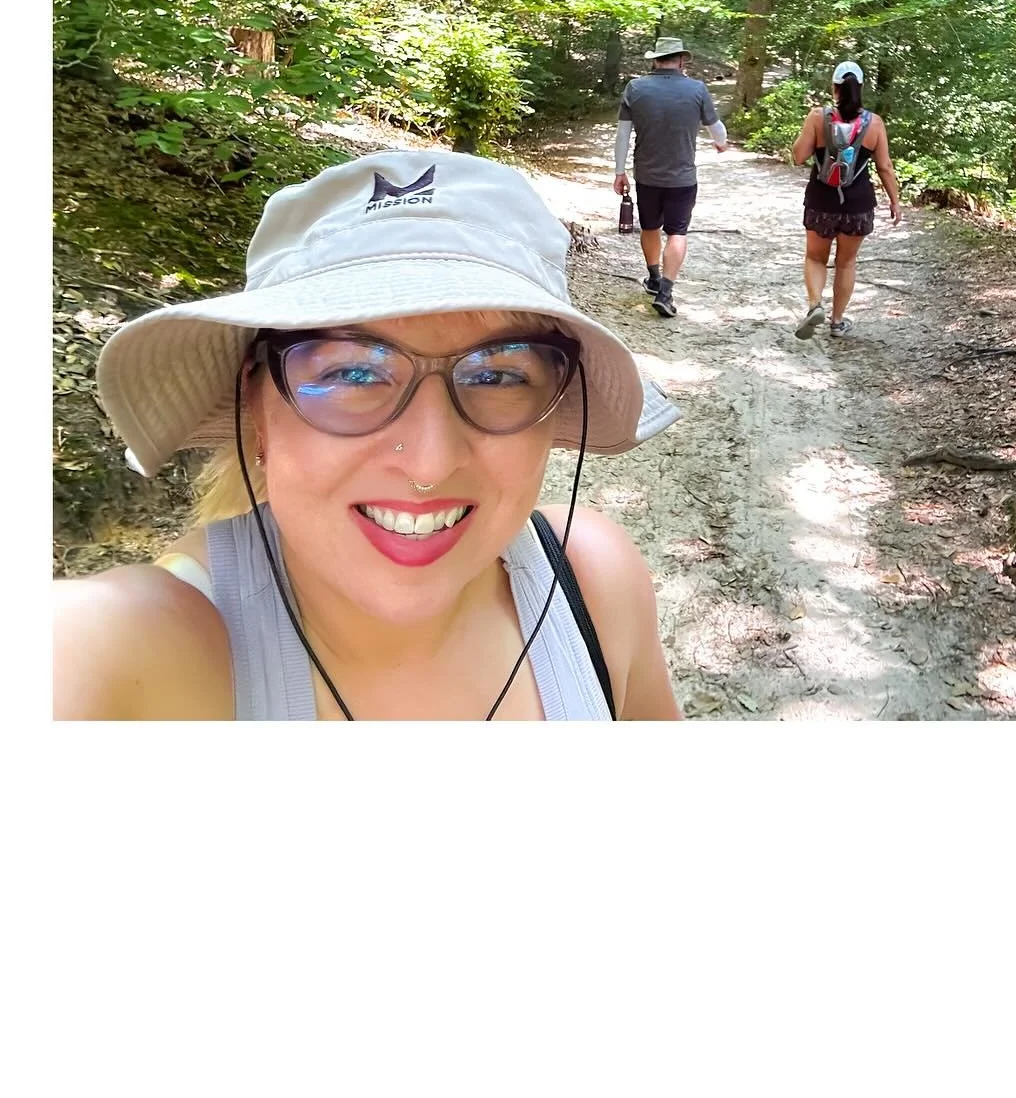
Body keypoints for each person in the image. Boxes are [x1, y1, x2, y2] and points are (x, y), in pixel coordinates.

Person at [53, 151, 685, 721]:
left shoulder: (594, 583)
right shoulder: (118, 643)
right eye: (352, 373)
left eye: (496, 374)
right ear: (256, 406)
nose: (431, 463)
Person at [613, 35, 729, 318]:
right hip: (683, 178)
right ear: (680, 61)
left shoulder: (635, 88)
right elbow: (717, 130)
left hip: (647, 175)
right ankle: (666, 291)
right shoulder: (697, 89)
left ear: (655, 60)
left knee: (650, 227)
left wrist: (619, 172)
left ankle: (653, 278)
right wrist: (721, 143)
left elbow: (623, 134)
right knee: (677, 232)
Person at [790, 60, 901, 339]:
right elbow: (885, 167)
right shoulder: (874, 123)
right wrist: (895, 201)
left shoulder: (818, 117)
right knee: (846, 262)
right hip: (858, 203)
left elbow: (799, 156)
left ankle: (815, 305)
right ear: (860, 88)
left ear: (834, 87)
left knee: (816, 258)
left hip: (820, 199)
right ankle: (837, 322)